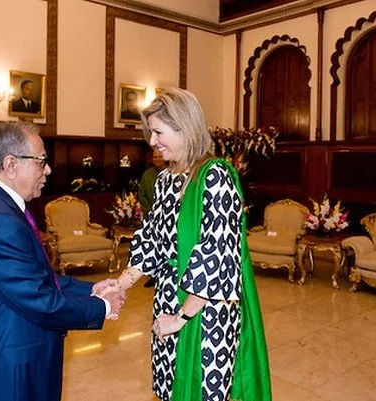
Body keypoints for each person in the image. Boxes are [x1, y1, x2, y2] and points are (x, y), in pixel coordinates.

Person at [95, 88, 271, 401]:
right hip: (168, 298)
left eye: (158, 132)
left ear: (185, 128)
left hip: (206, 310)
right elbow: (151, 241)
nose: (152, 142)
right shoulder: (166, 179)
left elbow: (219, 254)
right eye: (151, 133)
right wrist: (120, 284)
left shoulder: (216, 176)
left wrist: (182, 317)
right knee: (169, 384)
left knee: (203, 389)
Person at [0, 122, 124, 401]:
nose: (48, 170)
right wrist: (101, 306)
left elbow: (33, 276)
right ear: (11, 164)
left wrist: (89, 289)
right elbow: (37, 299)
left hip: (9, 354)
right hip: (10, 367)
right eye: (41, 161)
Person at [138, 149, 166, 288]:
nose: (157, 159)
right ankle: (153, 276)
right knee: (152, 247)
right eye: (154, 157)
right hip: (150, 217)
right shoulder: (147, 174)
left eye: (159, 157)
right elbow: (141, 194)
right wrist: (150, 211)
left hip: (166, 218)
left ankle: (163, 277)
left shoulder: (170, 173)